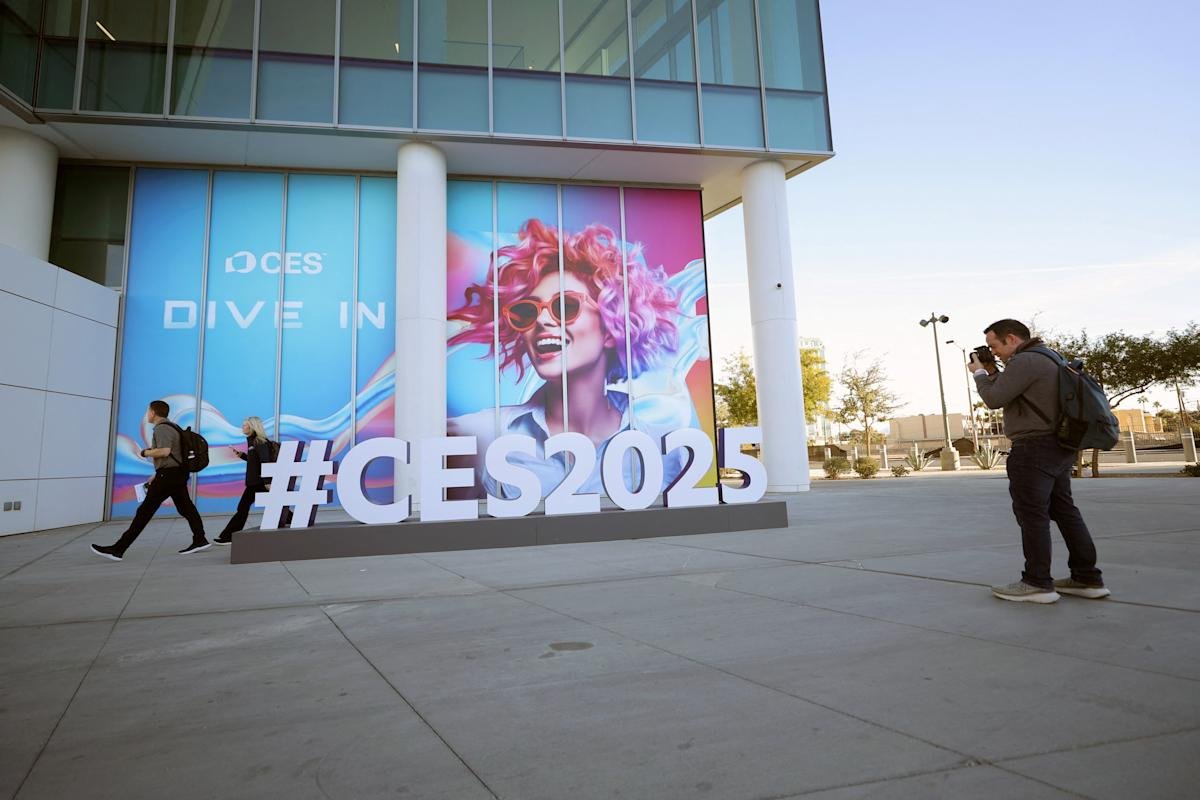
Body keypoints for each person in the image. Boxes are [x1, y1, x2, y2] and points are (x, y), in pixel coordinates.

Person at [446, 219, 691, 498]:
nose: (541, 319)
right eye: (527, 311)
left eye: (565, 306)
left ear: (612, 329)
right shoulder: (475, 437)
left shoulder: (662, 445)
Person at [970, 319, 1109, 603]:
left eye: (994, 345)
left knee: (1032, 515)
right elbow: (1013, 392)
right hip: (1058, 445)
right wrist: (994, 370)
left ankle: (1037, 582)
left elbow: (995, 398)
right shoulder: (1050, 357)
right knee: (1065, 510)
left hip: (1033, 447)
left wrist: (980, 374)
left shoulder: (1025, 361)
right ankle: (1087, 578)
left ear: (1011, 339)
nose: (992, 351)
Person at [92, 400, 209, 560]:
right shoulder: (173, 427)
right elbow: (174, 455)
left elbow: (165, 451)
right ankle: (200, 539)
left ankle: (118, 549)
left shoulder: (162, 429)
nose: (147, 414)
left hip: (169, 476)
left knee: (144, 511)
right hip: (175, 474)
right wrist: (157, 473)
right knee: (186, 508)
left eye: (148, 411)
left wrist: (145, 453)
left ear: (153, 412)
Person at [213, 416, 289, 545]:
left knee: (242, 508)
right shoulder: (252, 442)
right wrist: (242, 455)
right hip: (256, 482)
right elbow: (255, 461)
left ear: (252, 426)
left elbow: (265, 462)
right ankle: (291, 518)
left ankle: (228, 536)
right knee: (277, 503)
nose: (242, 427)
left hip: (259, 483)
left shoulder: (259, 442)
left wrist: (267, 482)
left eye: (245, 425)